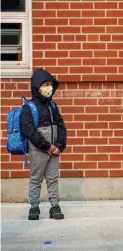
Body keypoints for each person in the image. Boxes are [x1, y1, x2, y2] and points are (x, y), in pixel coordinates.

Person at [20, 69, 67, 220]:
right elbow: (29, 131)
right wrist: (47, 146)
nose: (49, 88)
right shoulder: (29, 108)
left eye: (50, 85)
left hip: (54, 149)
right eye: (45, 84)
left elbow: (61, 126)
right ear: (36, 86)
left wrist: (59, 145)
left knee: (53, 178)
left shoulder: (52, 106)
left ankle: (55, 206)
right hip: (39, 149)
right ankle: (34, 207)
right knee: (36, 178)